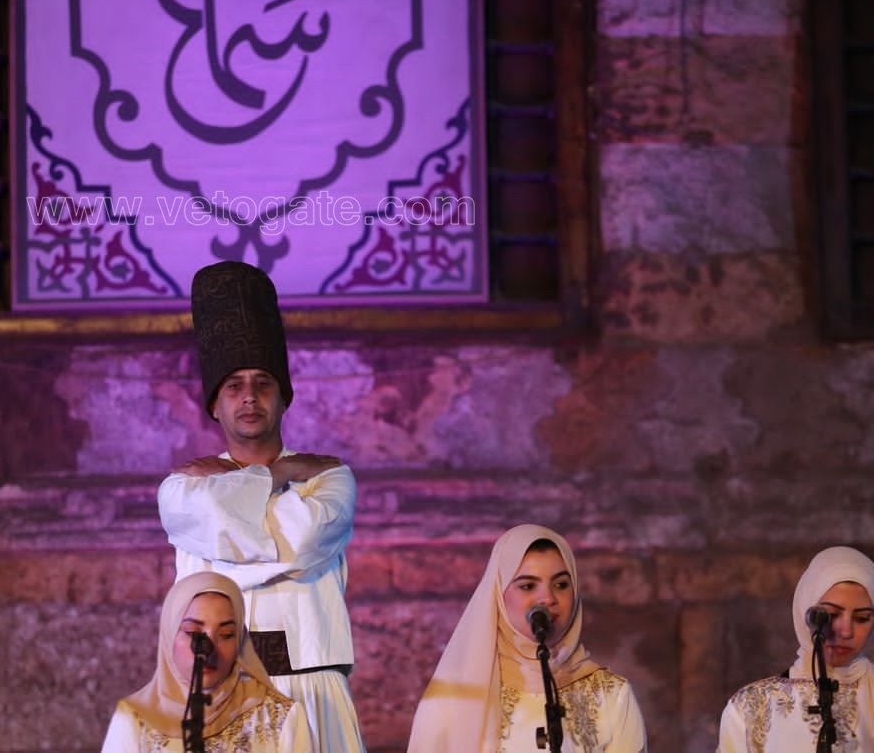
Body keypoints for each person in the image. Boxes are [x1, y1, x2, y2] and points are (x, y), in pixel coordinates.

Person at [158, 260, 365, 753]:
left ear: (284, 397)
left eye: (263, 383)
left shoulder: (331, 476)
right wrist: (277, 477)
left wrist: (234, 530)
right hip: (217, 687)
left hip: (314, 689)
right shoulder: (181, 486)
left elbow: (301, 543)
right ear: (215, 404)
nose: (249, 396)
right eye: (234, 385)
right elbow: (274, 542)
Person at [406, 524, 646, 752]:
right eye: (528, 586)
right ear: (499, 595)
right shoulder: (452, 698)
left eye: (561, 584)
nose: (547, 598)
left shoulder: (611, 695)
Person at [717, 545, 874, 753]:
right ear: (805, 612)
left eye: (862, 618)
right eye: (831, 615)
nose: (846, 632)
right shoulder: (748, 709)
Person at [101, 571, 312, 753]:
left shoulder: (280, 718)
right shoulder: (134, 718)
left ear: (239, 641)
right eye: (193, 633)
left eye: (226, 634)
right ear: (169, 634)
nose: (208, 648)